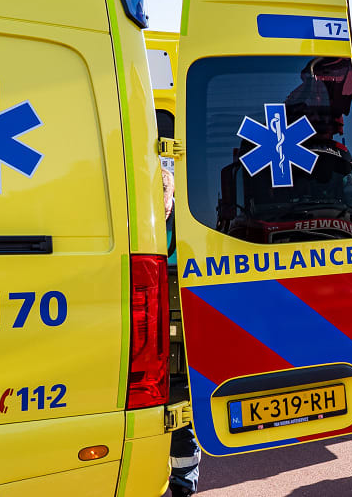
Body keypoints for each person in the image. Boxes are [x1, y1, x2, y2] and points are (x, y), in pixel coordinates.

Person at [162, 168, 201, 497]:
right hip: (158, 341)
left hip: (178, 347)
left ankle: (183, 486)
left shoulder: (189, 225)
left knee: (180, 423)